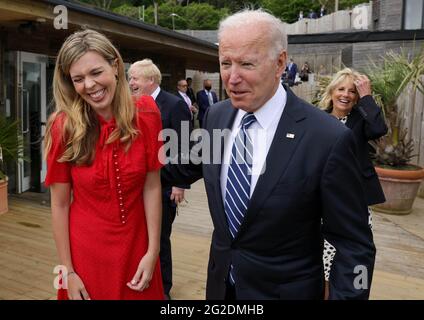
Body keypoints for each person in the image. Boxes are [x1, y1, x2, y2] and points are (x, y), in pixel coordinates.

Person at [162, 9, 376, 300]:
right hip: (220, 288)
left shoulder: (328, 138)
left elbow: (356, 246)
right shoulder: (217, 116)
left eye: (247, 64)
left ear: (280, 63)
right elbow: (182, 165)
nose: (232, 78)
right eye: (225, 63)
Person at [44, 29, 164, 300]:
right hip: (85, 256)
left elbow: (152, 187)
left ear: (116, 66)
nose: (89, 85)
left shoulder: (147, 113)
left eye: (96, 72)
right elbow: (60, 204)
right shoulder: (63, 127)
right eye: (78, 79)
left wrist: (152, 251)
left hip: (138, 248)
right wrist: (68, 272)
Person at [319, 68, 387, 299]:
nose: (346, 95)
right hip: (323, 200)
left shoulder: (360, 119)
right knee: (324, 255)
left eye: (352, 91)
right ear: (332, 92)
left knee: (354, 253)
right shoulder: (319, 119)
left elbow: (379, 129)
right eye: (341, 89)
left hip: (354, 202)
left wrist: (367, 96)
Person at [128, 59, 192, 300]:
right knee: (143, 239)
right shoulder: (131, 105)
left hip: (165, 186)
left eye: (135, 78)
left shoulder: (174, 104)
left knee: (160, 241)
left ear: (150, 80)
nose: (131, 82)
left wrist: (180, 183)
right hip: (138, 187)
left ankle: (163, 291)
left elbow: (184, 146)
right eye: (130, 78)